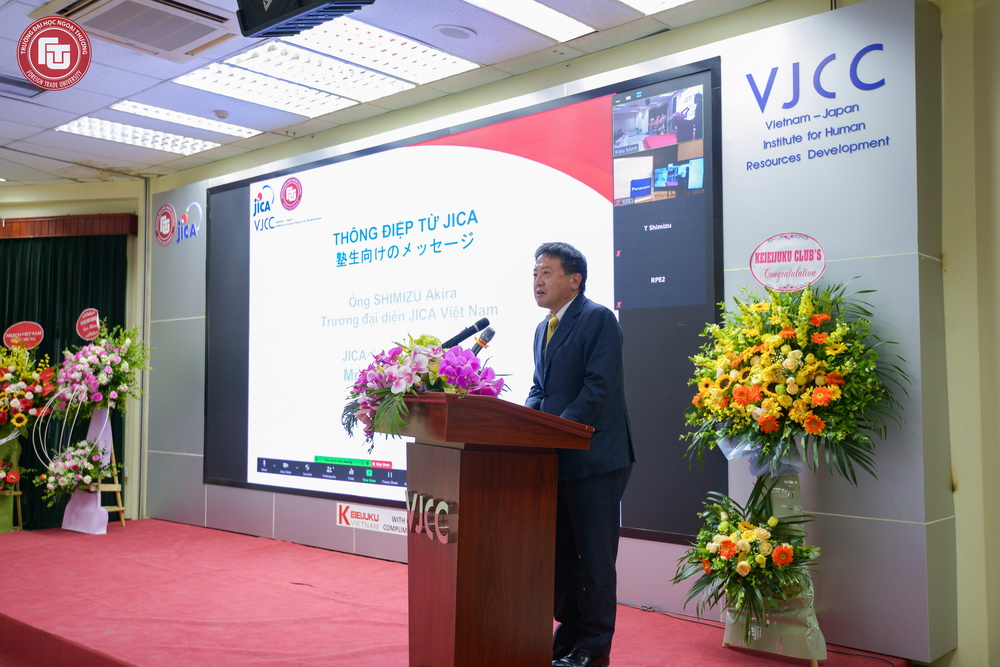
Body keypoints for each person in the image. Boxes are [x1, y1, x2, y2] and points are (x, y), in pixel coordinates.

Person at [526, 242, 635, 667]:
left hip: (596, 459)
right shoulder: (543, 328)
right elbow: (540, 389)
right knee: (562, 559)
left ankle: (594, 647)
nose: (537, 281)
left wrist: (556, 431)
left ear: (575, 280)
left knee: (594, 560)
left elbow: (597, 387)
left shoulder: (597, 318)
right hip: (556, 458)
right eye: (535, 273)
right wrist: (526, 424)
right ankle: (569, 635)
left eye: (546, 272)